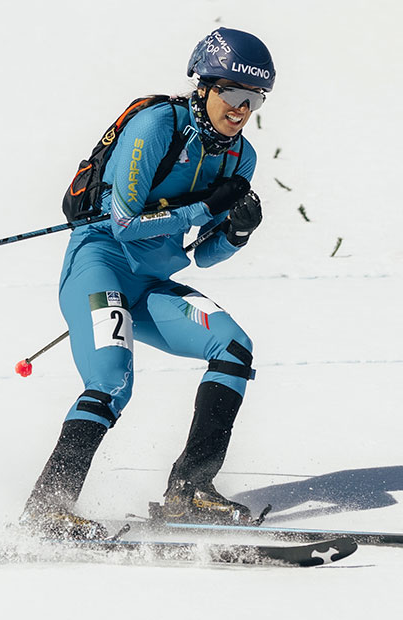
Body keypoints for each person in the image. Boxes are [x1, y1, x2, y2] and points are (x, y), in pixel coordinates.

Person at [21, 27, 276, 540]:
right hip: (99, 266)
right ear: (202, 86)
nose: (241, 109)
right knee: (113, 380)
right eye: (231, 93)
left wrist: (237, 232)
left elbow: (204, 256)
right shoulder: (158, 125)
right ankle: (48, 507)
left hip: (151, 284)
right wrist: (208, 207)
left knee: (233, 347)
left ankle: (191, 487)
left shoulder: (240, 158)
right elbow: (123, 223)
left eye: (254, 99)